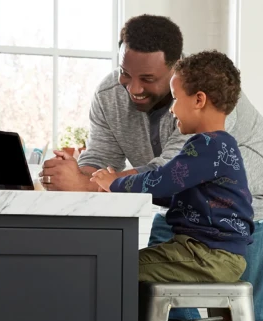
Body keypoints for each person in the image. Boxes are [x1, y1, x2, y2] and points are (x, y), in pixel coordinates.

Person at [42, 15, 263, 321]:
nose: (133, 89)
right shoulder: (113, 95)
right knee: (156, 297)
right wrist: (78, 173)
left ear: (176, 73)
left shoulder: (202, 107)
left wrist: (94, 183)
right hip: (186, 211)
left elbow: (171, 173)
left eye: (149, 80)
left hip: (250, 200)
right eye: (125, 75)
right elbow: (105, 159)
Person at [91, 50, 253, 285]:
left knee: (116, 264)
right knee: (127, 264)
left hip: (206, 255)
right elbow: (179, 194)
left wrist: (114, 183)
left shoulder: (208, 145)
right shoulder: (219, 146)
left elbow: (163, 181)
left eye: (176, 99)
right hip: (213, 254)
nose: (171, 108)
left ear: (199, 100)